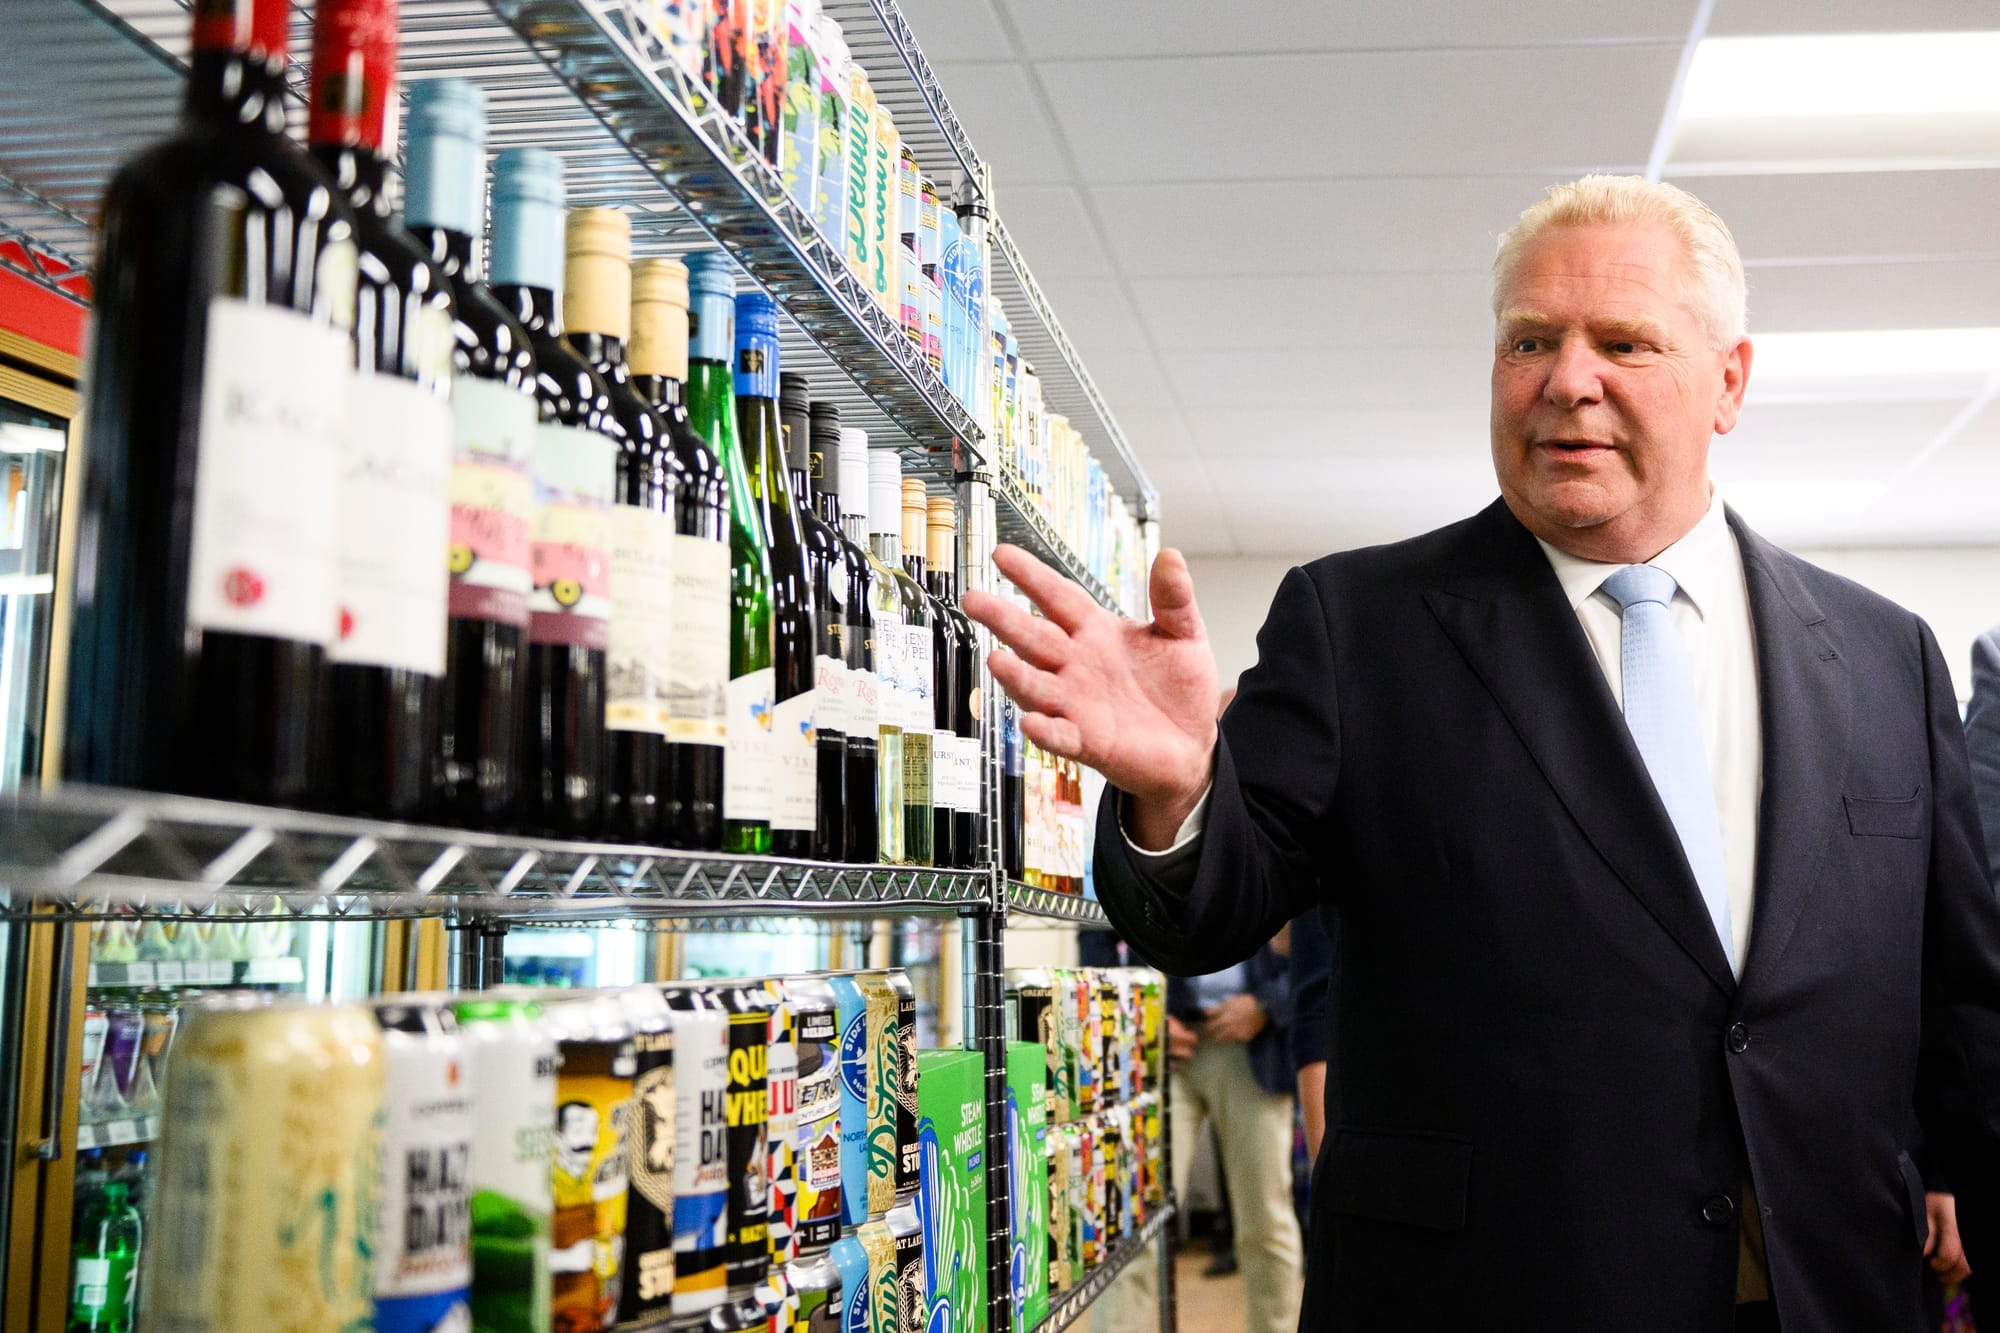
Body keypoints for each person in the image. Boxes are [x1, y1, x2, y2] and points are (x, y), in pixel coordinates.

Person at [962, 174, 2000, 1332]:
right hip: (1488, 1285)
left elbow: (1955, 985)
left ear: (1727, 381)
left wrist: (1954, 1168)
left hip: (1822, 1281)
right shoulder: (1357, 625)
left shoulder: (1879, 655)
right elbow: (1213, 909)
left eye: (1622, 341)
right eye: (1528, 340)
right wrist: (1177, 790)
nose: (1567, 378)